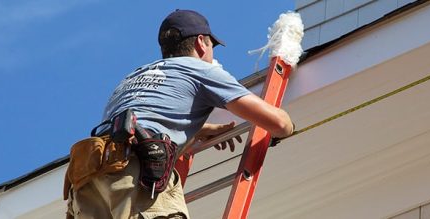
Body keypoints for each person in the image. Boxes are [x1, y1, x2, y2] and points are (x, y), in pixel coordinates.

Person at [65, 9, 294, 219]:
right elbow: (277, 123)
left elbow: (137, 119)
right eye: (212, 46)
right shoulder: (201, 70)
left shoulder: (133, 78)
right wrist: (289, 124)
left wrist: (201, 129)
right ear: (201, 43)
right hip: (133, 174)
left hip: (87, 176)